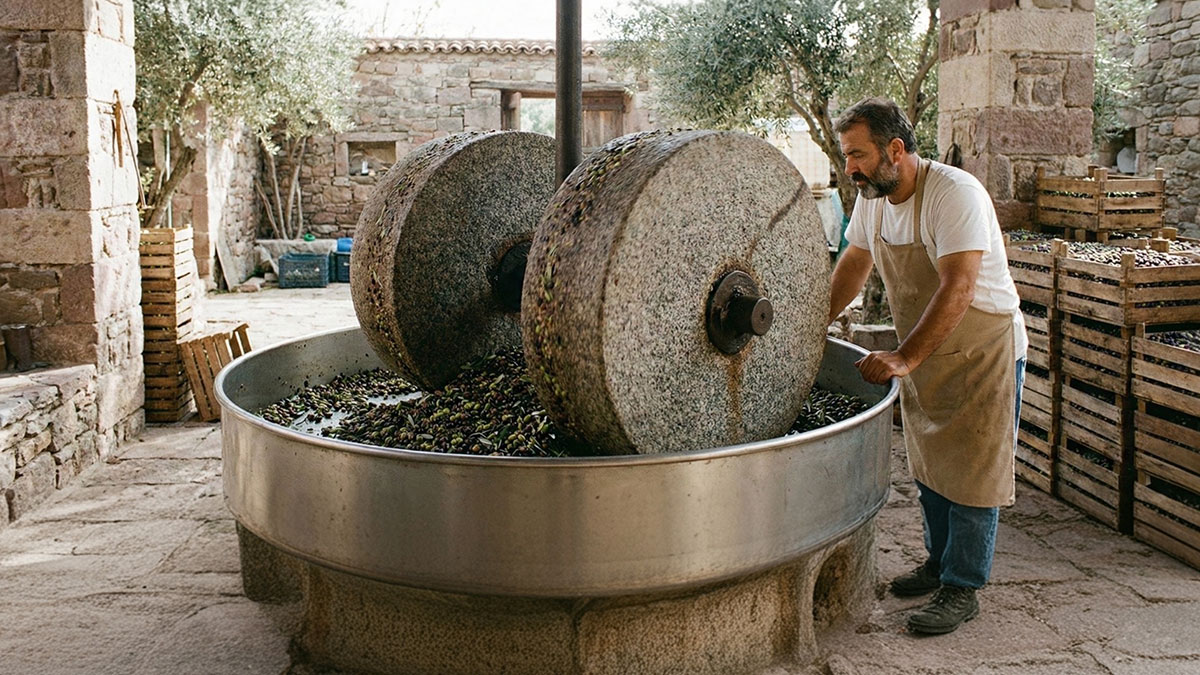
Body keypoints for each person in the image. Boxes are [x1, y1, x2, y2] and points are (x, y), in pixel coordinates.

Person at [827, 97, 1027, 635]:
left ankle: (963, 587)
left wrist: (904, 355)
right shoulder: (873, 197)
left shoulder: (954, 194)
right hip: (929, 347)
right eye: (848, 156)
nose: (850, 168)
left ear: (895, 149)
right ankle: (938, 563)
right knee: (932, 466)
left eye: (858, 154)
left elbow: (958, 286)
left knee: (973, 473)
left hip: (983, 346)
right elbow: (853, 263)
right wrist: (812, 323)